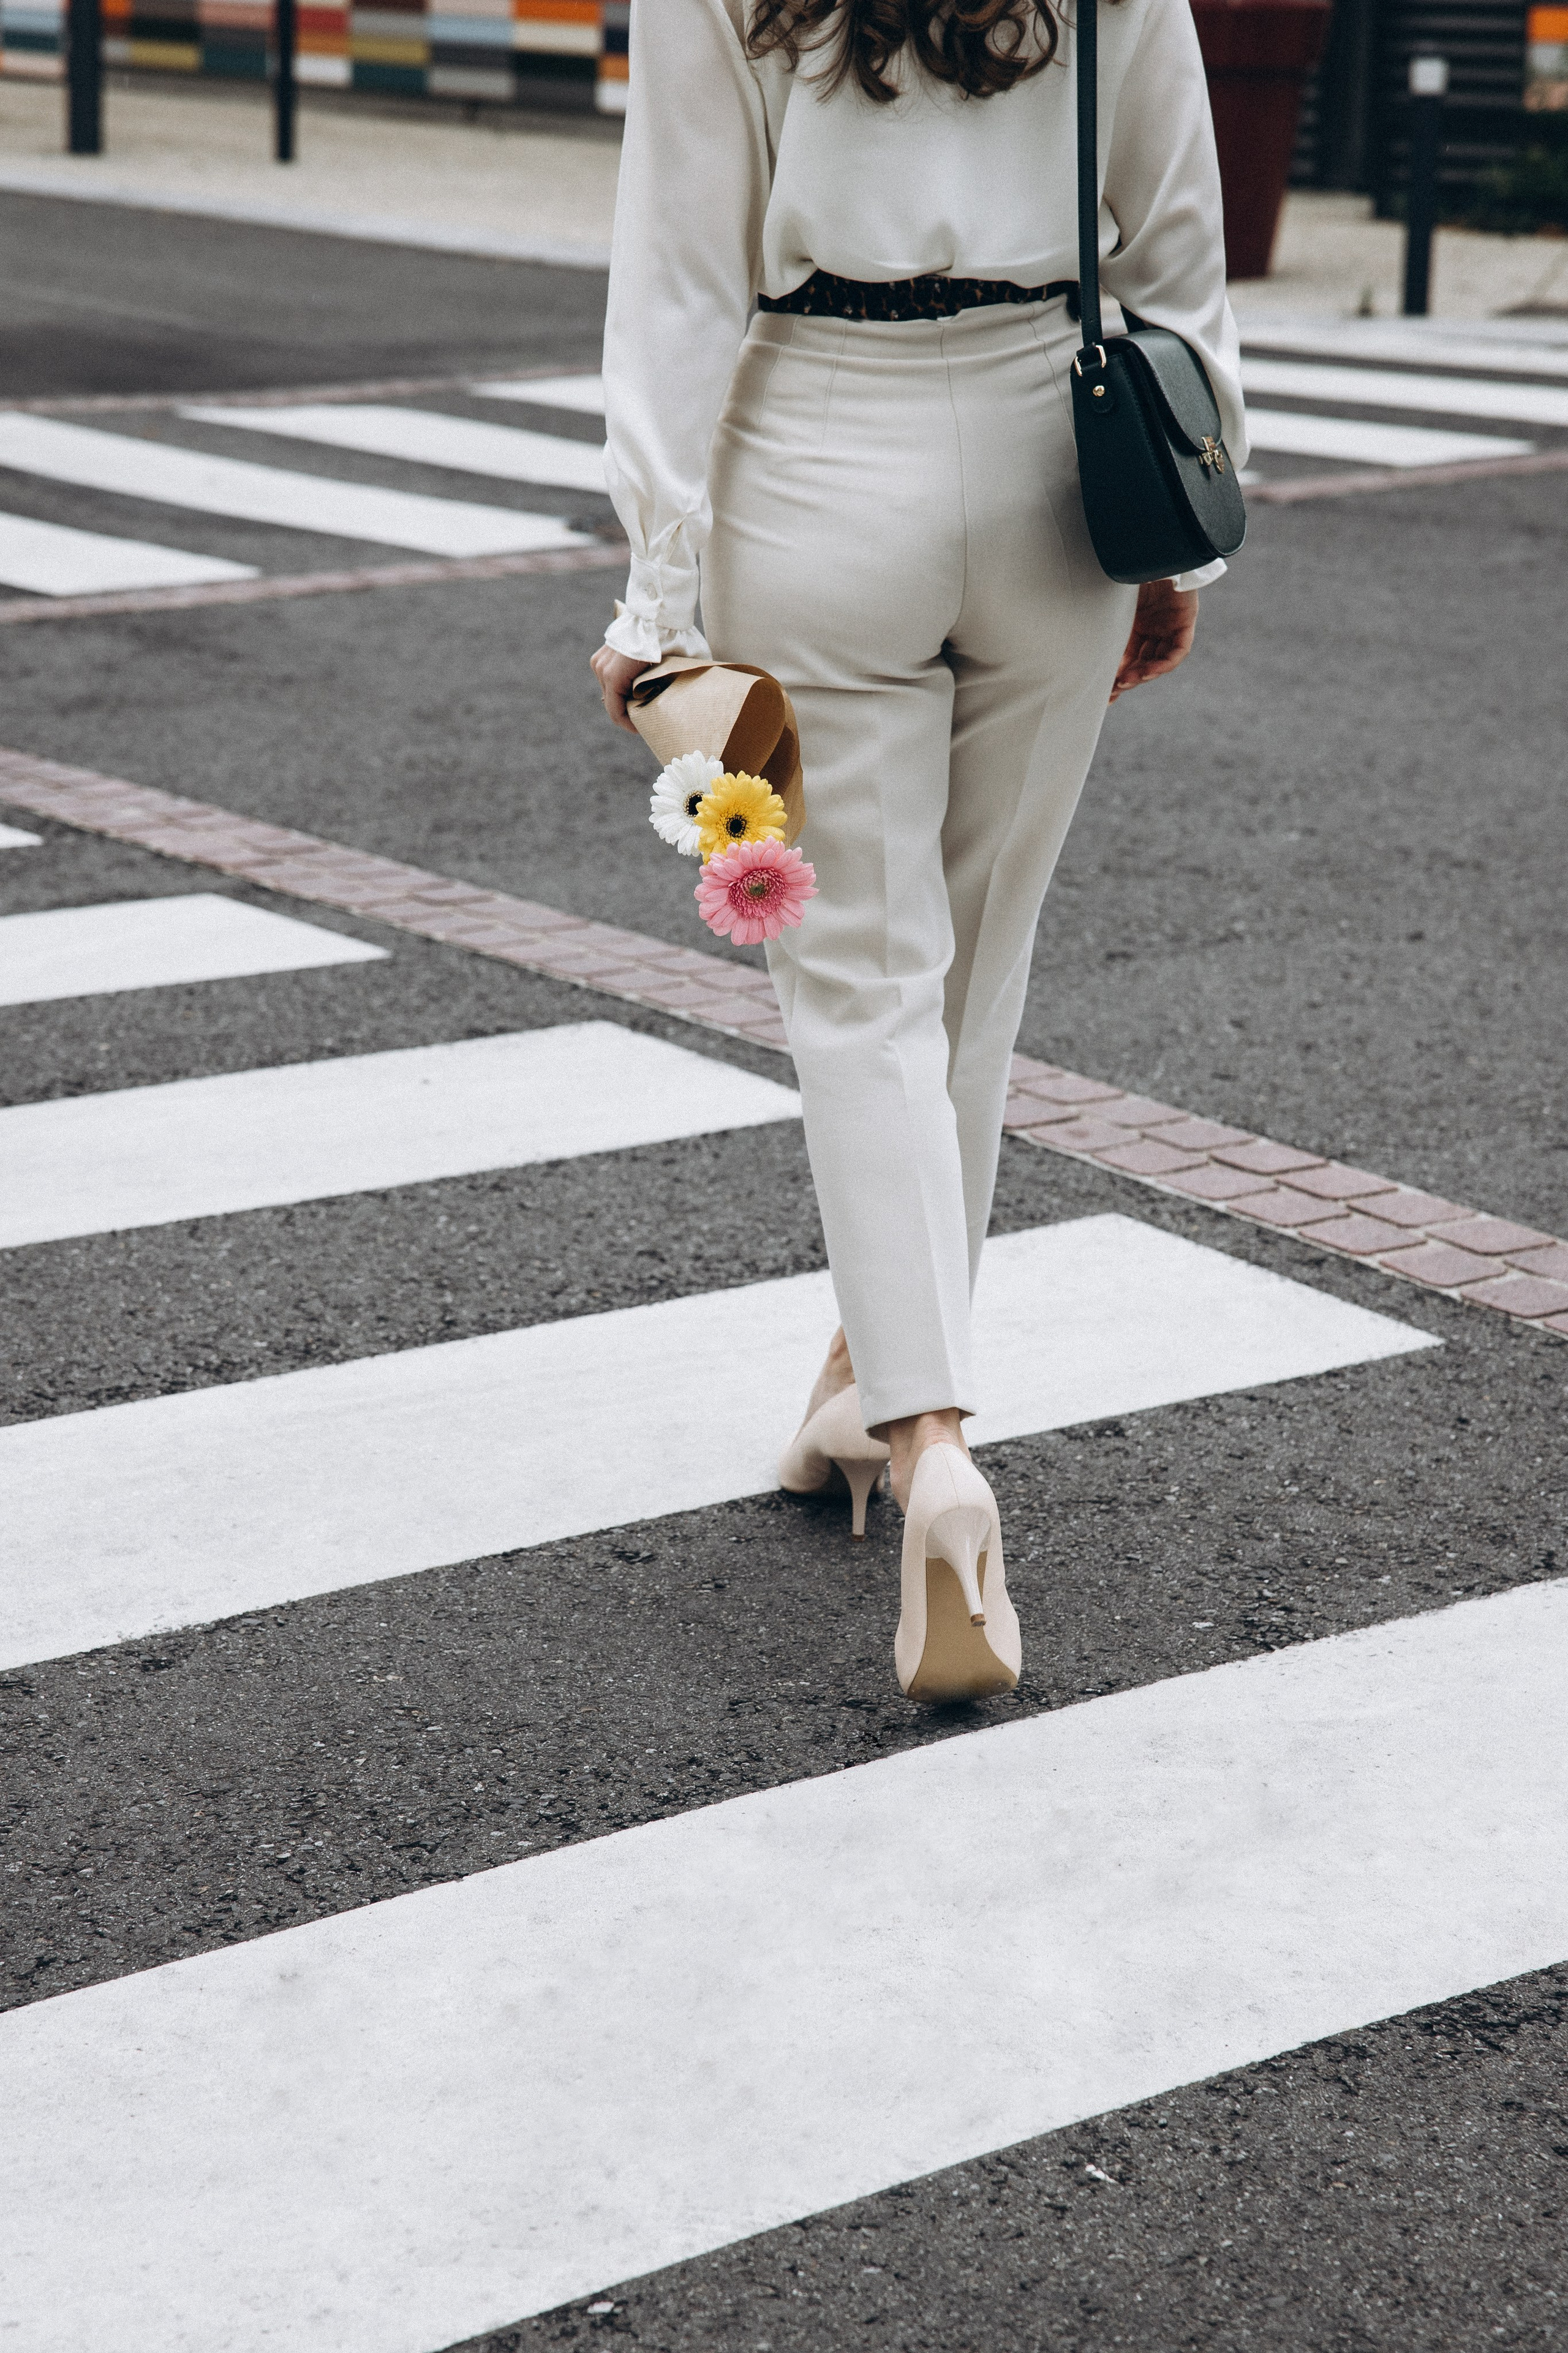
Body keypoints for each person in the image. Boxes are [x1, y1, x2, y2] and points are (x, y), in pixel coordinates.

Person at [590, 0, 1246, 1702]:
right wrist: (1184, 541)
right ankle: (864, 1389)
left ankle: (931, 1443)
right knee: (974, 973)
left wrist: (656, 597)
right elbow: (1178, 243)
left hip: (816, 448)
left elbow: (678, 277)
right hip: (1056, 453)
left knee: (863, 985)